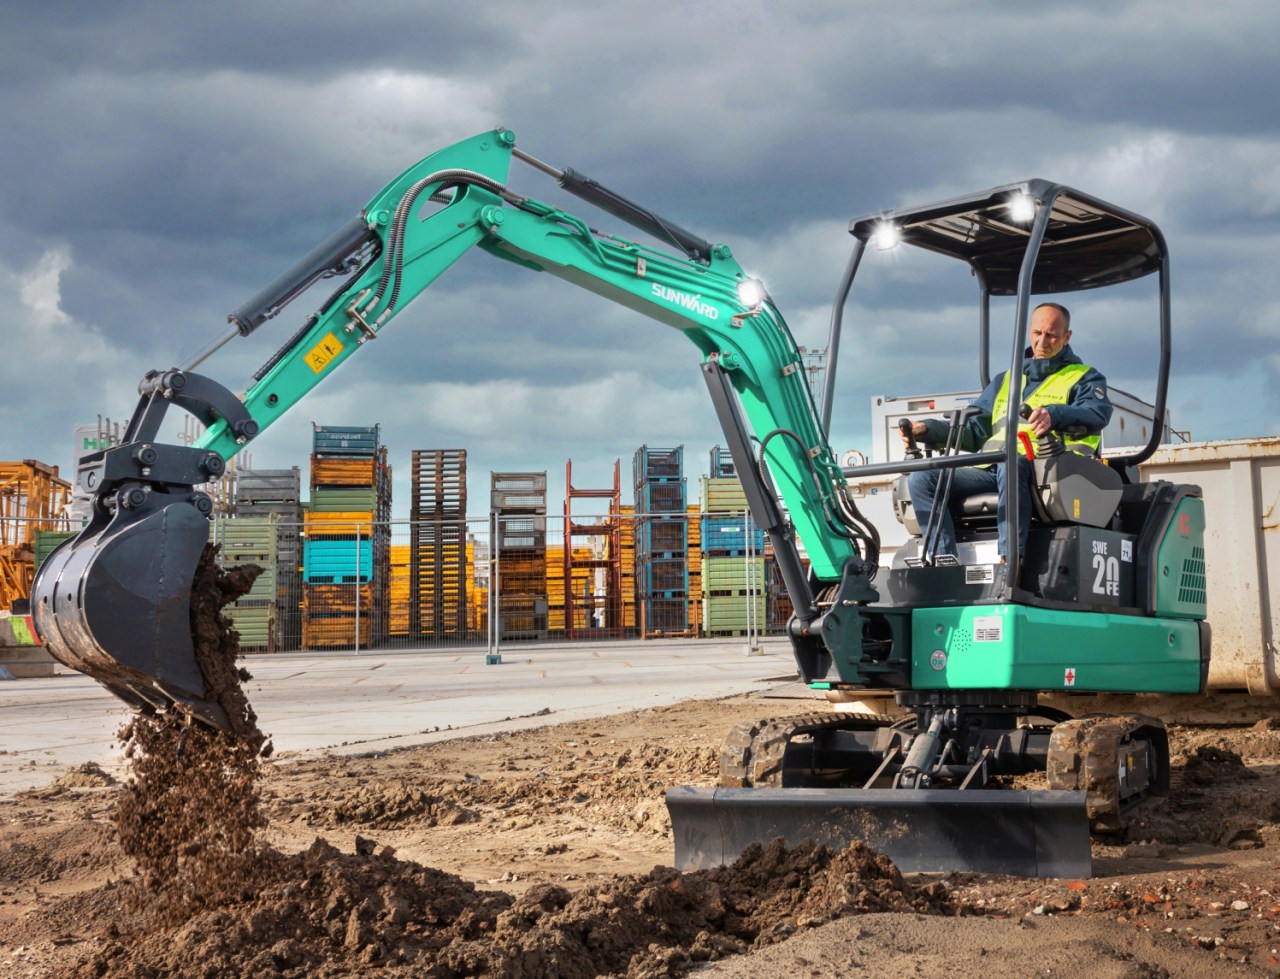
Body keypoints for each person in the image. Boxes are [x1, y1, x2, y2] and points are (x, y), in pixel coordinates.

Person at [902, 302, 1113, 562]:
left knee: (1010, 465)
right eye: (1037, 333)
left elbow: (1096, 413)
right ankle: (942, 561)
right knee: (923, 478)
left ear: (1067, 337)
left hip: (1048, 474)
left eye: (1052, 335)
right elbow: (974, 429)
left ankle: (1011, 559)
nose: (1042, 341)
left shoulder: (1084, 378)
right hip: (991, 469)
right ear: (1029, 332)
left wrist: (1054, 414)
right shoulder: (1006, 380)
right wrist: (927, 430)